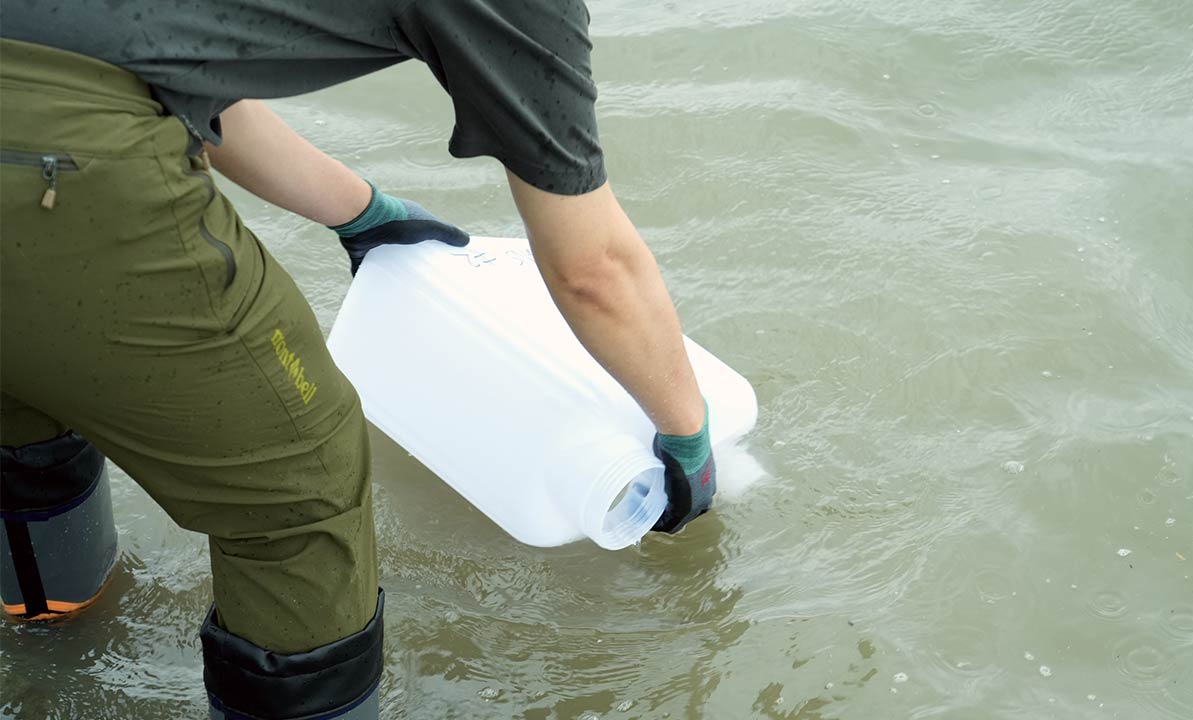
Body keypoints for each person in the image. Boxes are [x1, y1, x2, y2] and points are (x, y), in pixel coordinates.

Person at [0, 2, 716, 718]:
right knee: (300, 485)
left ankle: (44, 630)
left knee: (25, 384)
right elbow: (594, 271)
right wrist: (687, 436)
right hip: (54, 162)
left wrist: (359, 210)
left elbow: (151, 61)